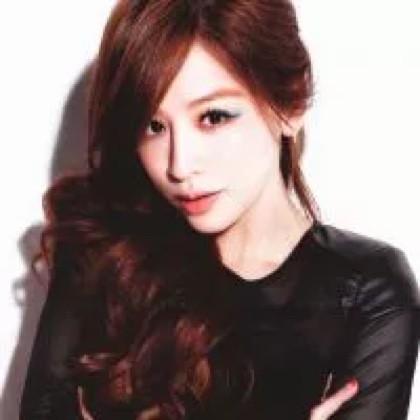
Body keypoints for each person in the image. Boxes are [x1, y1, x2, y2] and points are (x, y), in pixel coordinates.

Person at [20, 0, 419, 419]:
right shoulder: (105, 255)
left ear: (291, 105)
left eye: (213, 117)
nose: (179, 165)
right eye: (153, 126)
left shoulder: (365, 294)